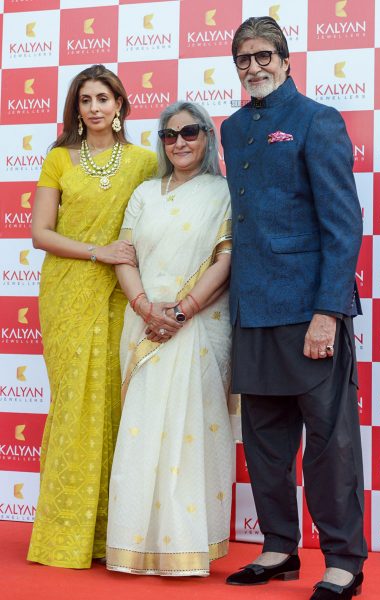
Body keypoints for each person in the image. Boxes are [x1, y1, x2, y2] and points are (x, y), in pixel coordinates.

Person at [221, 17, 367, 600]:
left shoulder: (317, 120)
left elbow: (343, 223)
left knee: (329, 442)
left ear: (285, 59)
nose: (253, 67)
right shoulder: (231, 129)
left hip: (309, 312)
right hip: (251, 308)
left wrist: (329, 311)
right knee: (264, 442)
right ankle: (279, 547)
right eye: (243, 59)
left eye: (263, 56)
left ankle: (344, 560)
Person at [28, 64, 157, 569]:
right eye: (86, 100)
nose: (96, 107)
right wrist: (96, 252)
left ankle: (116, 535)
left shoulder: (146, 161)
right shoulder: (59, 158)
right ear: (76, 109)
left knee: (118, 407)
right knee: (74, 406)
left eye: (104, 98)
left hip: (126, 294)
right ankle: (65, 535)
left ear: (121, 104)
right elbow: (40, 232)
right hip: (68, 292)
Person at [106, 101, 234, 577]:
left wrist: (182, 310)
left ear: (207, 138)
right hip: (144, 323)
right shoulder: (144, 193)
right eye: (169, 135)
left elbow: (226, 259)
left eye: (190, 132)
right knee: (141, 431)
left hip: (197, 326)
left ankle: (186, 546)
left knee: (191, 433)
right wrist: (145, 307)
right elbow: (124, 254)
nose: (179, 142)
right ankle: (133, 543)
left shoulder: (222, 192)